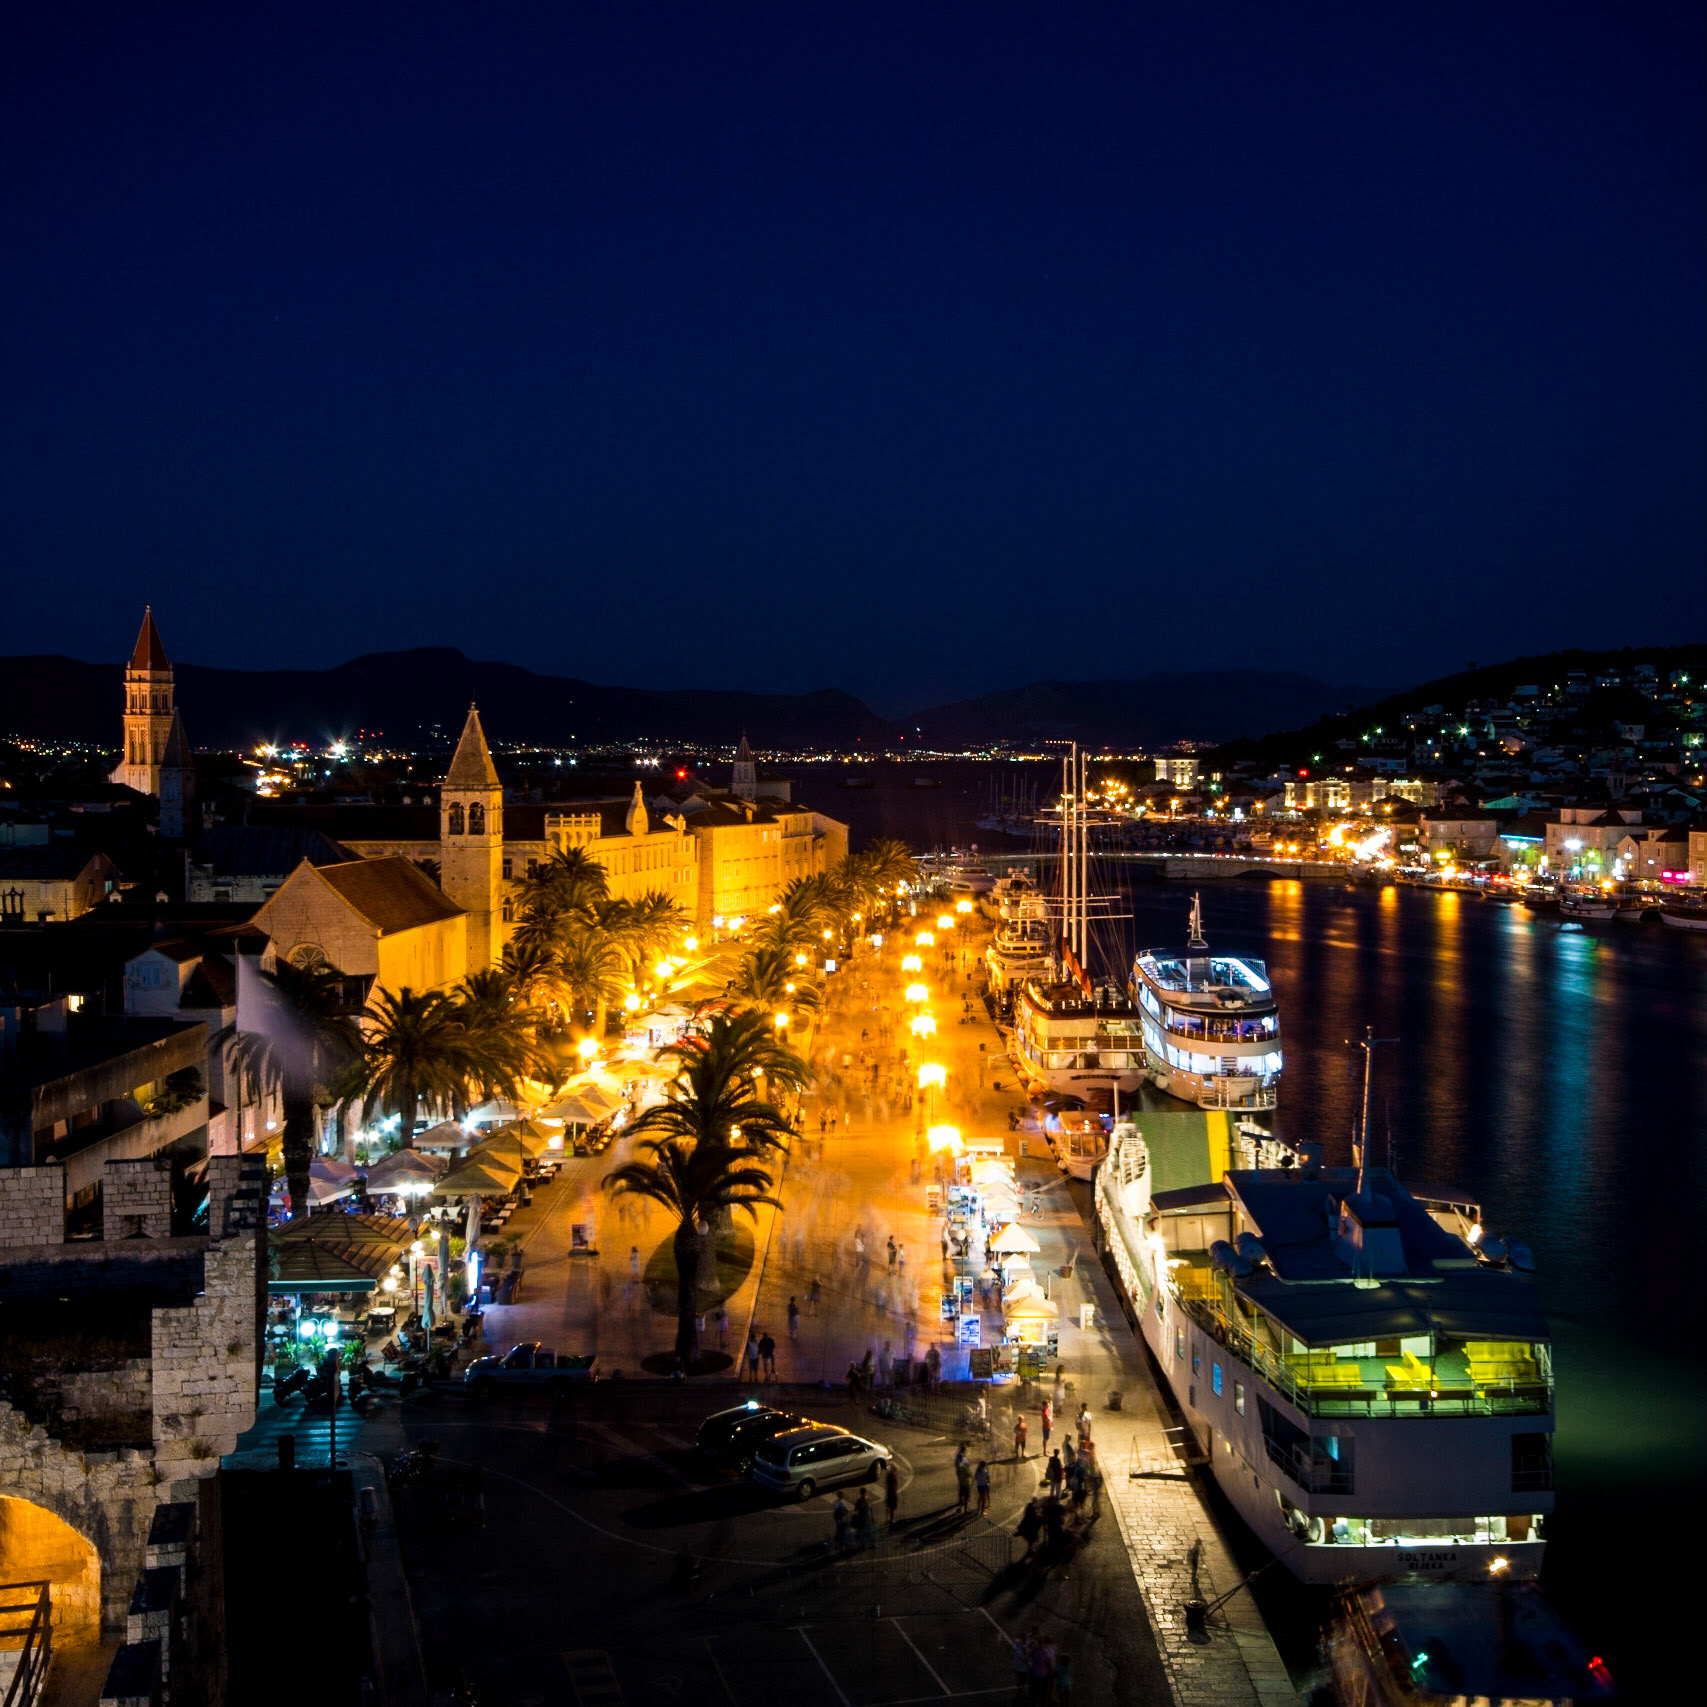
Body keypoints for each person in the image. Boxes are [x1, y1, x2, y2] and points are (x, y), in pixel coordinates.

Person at [1030, 1636, 1057, 1705]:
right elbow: (1048, 1664)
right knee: (1044, 1694)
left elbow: (1030, 1662)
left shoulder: (1033, 1652)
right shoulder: (1045, 1652)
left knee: (1035, 1693)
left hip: (1035, 1675)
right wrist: (1052, 1672)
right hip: (1043, 1676)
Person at [1011, 1630, 1035, 1699]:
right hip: (1021, 1667)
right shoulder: (1018, 1645)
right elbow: (1024, 1657)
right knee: (1021, 1681)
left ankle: (1020, 1693)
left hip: (1019, 1667)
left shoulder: (1018, 1643)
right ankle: (1020, 1694)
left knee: (1021, 1681)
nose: (1025, 1638)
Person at [954, 1444, 972, 1512]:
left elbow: (957, 1464)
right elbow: (964, 1465)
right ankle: (964, 1509)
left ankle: (960, 1505)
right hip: (964, 1478)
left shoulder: (959, 1455)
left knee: (961, 1490)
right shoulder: (962, 1457)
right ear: (964, 1450)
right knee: (965, 1493)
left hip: (961, 1476)